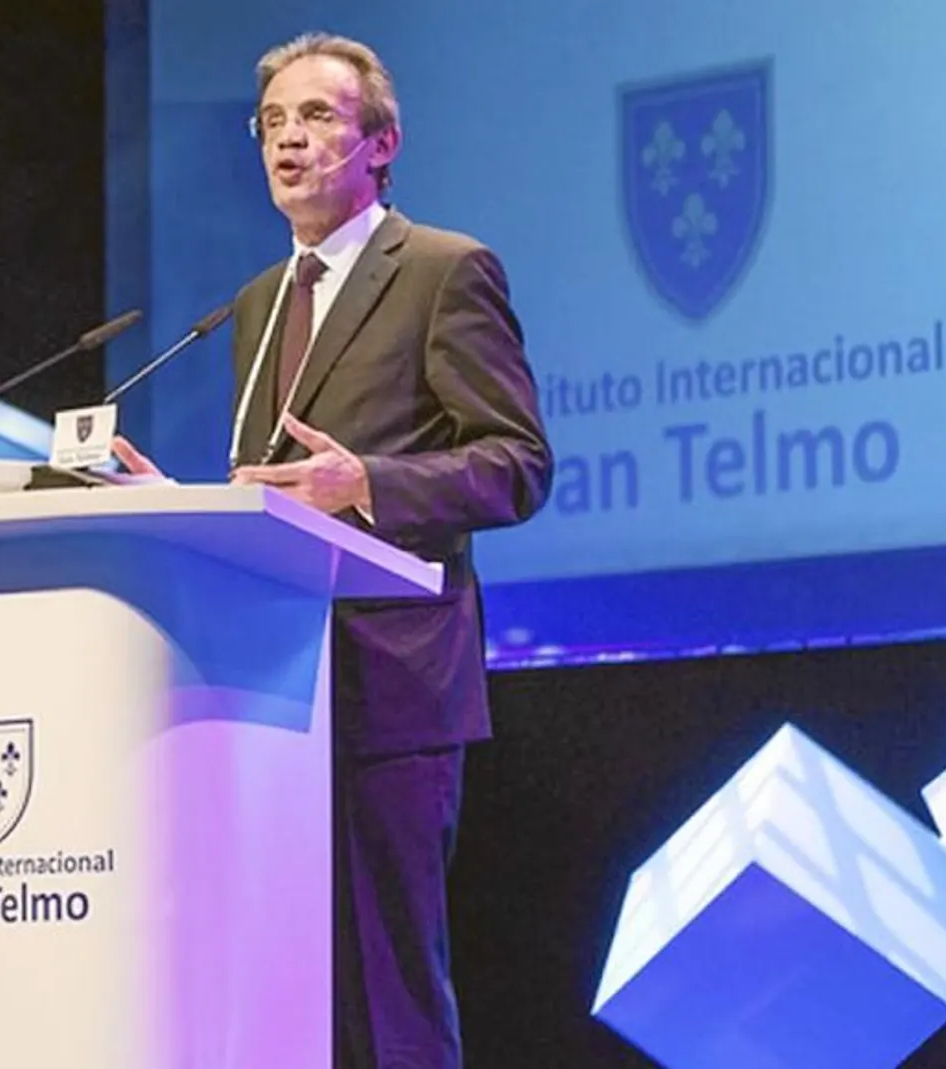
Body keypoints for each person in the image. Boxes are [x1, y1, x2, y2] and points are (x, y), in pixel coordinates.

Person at [112, 31, 554, 1069]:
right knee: (287, 992)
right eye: (271, 123)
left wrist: (370, 484)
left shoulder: (443, 271)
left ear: (380, 143)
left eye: (316, 117)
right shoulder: (262, 302)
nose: (288, 141)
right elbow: (274, 487)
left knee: (386, 992)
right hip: (269, 687)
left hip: (389, 687)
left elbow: (518, 464)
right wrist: (175, 505)